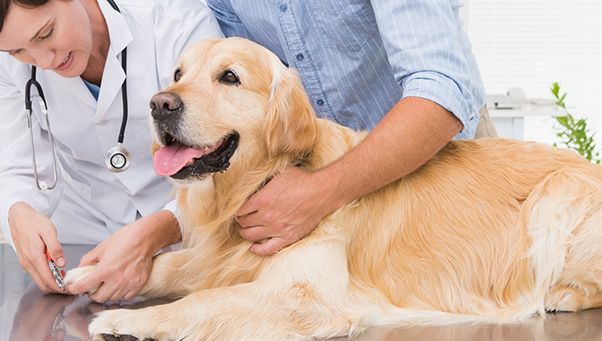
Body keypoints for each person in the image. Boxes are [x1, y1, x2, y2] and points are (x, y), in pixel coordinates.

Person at [0, 0, 223, 302]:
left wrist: (156, 233)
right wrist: (17, 211)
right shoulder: (0, 57)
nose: (44, 62)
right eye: (18, 52)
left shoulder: (178, 23)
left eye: (46, 34)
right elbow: (15, 160)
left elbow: (226, 158)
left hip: (187, 235)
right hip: (79, 242)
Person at [207, 0, 496, 256]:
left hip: (440, 162)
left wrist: (319, 192)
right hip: (320, 182)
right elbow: (249, 100)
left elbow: (439, 94)